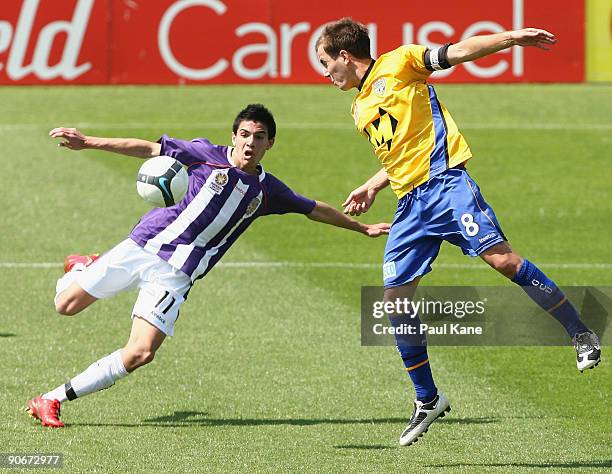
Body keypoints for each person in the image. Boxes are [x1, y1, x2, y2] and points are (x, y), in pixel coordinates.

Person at [315, 19, 601, 446]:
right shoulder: (358, 108)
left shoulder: (401, 61)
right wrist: (373, 185)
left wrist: (511, 39)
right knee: (393, 300)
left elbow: (460, 51)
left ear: (344, 56)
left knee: (503, 260)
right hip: (410, 204)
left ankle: (581, 332)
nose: (324, 73)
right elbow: (400, 148)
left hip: (447, 185)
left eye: (325, 62)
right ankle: (427, 399)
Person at [26, 104, 390, 428]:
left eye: (259, 137)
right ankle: (79, 268)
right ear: (234, 136)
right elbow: (148, 149)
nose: (250, 142)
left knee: (141, 353)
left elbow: (312, 207)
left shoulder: (267, 191)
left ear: (270, 144)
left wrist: (360, 227)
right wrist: (88, 142)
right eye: (244, 134)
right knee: (65, 306)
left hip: (175, 276)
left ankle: (52, 398)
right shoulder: (204, 154)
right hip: (142, 247)